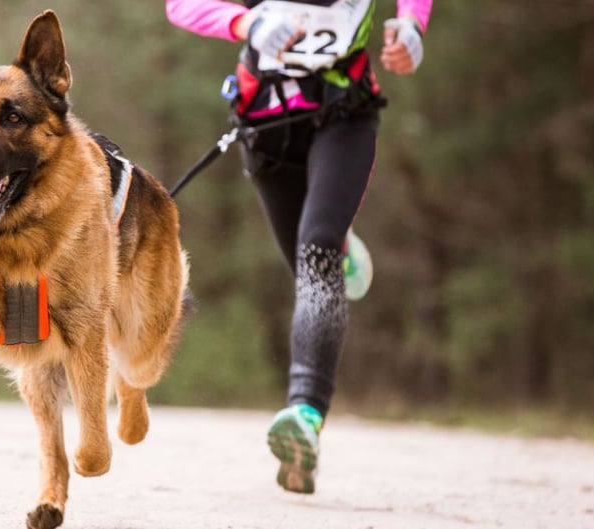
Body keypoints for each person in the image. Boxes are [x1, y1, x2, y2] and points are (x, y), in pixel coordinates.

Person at [165, 0, 431, 494]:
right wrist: (248, 22)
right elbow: (179, 5)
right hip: (266, 127)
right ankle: (334, 238)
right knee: (308, 266)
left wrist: (413, 24)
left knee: (317, 256)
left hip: (344, 114)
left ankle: (305, 413)